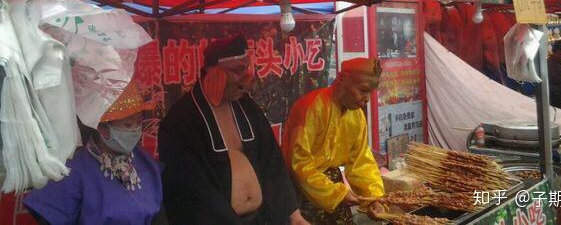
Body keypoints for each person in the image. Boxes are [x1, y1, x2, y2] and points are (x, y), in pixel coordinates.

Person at [158, 34, 307, 224]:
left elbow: (272, 162)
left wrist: (294, 215)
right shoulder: (181, 120)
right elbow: (191, 190)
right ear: (213, 72)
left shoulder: (246, 107)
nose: (247, 78)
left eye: (248, 68)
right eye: (238, 70)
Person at [24, 80, 163, 225]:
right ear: (102, 128)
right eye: (128, 124)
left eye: (139, 122)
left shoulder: (145, 162)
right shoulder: (72, 170)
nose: (136, 129)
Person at [282, 57, 386, 224]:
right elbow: (298, 162)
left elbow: (360, 161)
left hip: (332, 189)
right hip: (300, 190)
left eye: (370, 92)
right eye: (363, 90)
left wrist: (373, 198)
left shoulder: (357, 116)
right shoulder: (312, 107)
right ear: (342, 79)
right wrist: (335, 194)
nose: (367, 98)